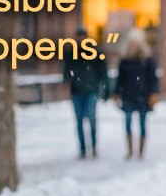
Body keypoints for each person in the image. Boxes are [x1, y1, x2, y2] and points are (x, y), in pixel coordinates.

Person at [113, 29, 159, 159]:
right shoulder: (125, 60)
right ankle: (129, 149)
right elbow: (120, 79)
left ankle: (141, 150)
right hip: (128, 96)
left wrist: (153, 93)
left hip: (143, 96)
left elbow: (153, 78)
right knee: (127, 123)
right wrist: (116, 93)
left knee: (143, 123)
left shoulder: (147, 60)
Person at [62, 27, 107, 159]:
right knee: (80, 121)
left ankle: (93, 147)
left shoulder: (95, 51)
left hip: (91, 90)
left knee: (91, 120)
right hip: (77, 91)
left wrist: (104, 87)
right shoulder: (72, 53)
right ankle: (83, 148)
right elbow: (67, 70)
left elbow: (102, 70)